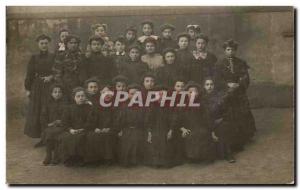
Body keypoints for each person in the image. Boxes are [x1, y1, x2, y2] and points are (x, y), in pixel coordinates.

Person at [216, 39, 256, 151]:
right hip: (226, 91)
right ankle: (232, 135)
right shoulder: (219, 64)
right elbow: (217, 79)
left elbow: (245, 77)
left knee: (242, 111)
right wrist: (227, 84)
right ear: (225, 51)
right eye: (228, 49)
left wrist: (238, 84)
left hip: (238, 91)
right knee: (229, 112)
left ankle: (245, 135)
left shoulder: (241, 62)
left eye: (232, 50)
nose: (230, 52)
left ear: (235, 51)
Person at [24, 34, 56, 143]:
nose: (44, 45)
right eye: (42, 43)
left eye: (46, 43)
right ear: (38, 44)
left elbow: (57, 70)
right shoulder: (34, 57)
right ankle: (42, 137)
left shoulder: (53, 56)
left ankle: (49, 137)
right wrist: (28, 89)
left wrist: (51, 77)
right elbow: (30, 73)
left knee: (48, 110)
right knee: (38, 111)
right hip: (37, 86)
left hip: (50, 86)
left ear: (48, 44)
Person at [176, 81, 216, 163]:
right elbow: (178, 120)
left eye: (195, 92)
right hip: (187, 128)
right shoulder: (182, 105)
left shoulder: (202, 104)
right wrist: (182, 129)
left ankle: (202, 157)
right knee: (190, 135)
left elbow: (207, 118)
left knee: (202, 134)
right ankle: (191, 157)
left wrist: (211, 131)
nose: (193, 94)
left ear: (198, 93)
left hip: (200, 126)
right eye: (190, 92)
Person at [58, 87, 96, 167]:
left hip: (85, 129)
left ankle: (81, 159)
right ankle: (69, 159)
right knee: (66, 137)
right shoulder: (69, 108)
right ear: (74, 98)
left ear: (85, 97)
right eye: (78, 96)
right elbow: (65, 122)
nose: (81, 98)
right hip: (71, 130)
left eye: (82, 96)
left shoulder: (90, 108)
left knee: (82, 137)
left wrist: (83, 129)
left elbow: (91, 121)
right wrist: (70, 129)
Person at [201, 78, 236, 163]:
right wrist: (212, 126)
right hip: (206, 122)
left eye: (211, 84)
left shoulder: (219, 96)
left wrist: (221, 119)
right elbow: (204, 115)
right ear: (204, 86)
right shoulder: (202, 98)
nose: (209, 86)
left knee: (223, 127)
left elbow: (225, 110)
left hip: (218, 120)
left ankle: (228, 154)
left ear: (214, 86)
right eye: (207, 84)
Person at [144, 85, 174, 167]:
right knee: (155, 141)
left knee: (166, 142)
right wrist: (149, 132)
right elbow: (148, 121)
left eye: (163, 95)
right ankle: (155, 162)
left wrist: (171, 130)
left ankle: (165, 162)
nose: (161, 97)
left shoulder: (169, 106)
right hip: (154, 129)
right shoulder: (152, 106)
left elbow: (173, 119)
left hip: (166, 129)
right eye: (159, 95)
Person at [118, 83, 146, 166]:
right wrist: (120, 130)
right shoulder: (124, 106)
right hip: (127, 128)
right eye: (132, 94)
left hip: (139, 129)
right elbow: (120, 120)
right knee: (127, 141)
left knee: (136, 139)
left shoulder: (143, 106)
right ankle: (127, 161)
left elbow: (145, 121)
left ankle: (137, 161)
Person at [40, 83, 67, 165]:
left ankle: (55, 156)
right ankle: (48, 155)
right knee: (49, 132)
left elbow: (68, 116)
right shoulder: (47, 104)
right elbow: (43, 116)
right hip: (50, 126)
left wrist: (61, 121)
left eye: (59, 92)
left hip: (62, 126)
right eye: (55, 92)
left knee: (52, 132)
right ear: (51, 93)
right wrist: (48, 124)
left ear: (62, 93)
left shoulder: (66, 104)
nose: (57, 94)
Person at [54, 35, 86, 100]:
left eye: (75, 43)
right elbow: (57, 74)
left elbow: (84, 71)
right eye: (71, 43)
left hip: (79, 86)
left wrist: (83, 84)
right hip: (66, 86)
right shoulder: (61, 56)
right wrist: (62, 86)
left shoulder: (82, 56)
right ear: (66, 44)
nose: (73, 45)